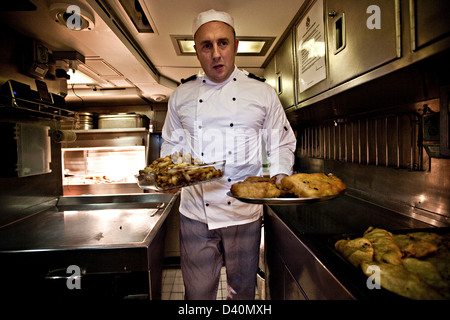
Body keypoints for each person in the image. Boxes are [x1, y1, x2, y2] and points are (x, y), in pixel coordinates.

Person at [161, 9, 296, 300]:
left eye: (223, 43)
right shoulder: (181, 95)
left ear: (235, 46)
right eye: (206, 46)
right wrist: (168, 176)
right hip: (196, 213)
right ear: (196, 51)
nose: (216, 54)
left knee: (243, 293)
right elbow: (171, 146)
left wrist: (279, 179)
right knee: (197, 295)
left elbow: (282, 143)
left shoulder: (262, 93)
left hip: (245, 212)